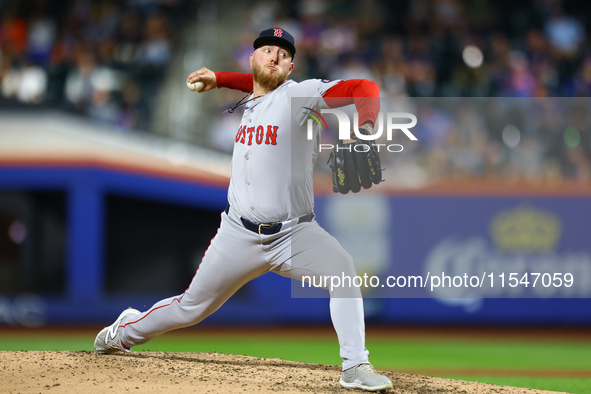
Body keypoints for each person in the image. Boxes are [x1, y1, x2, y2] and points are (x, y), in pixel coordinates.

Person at [94, 27, 393, 392]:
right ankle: (124, 331)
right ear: (253, 59)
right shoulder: (252, 97)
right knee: (191, 308)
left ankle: (355, 366)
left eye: (282, 54)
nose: (274, 57)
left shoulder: (298, 95)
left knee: (343, 270)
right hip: (237, 233)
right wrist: (219, 79)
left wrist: (364, 129)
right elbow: (254, 84)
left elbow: (364, 89)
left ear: (291, 66)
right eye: (267, 50)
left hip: (294, 233)